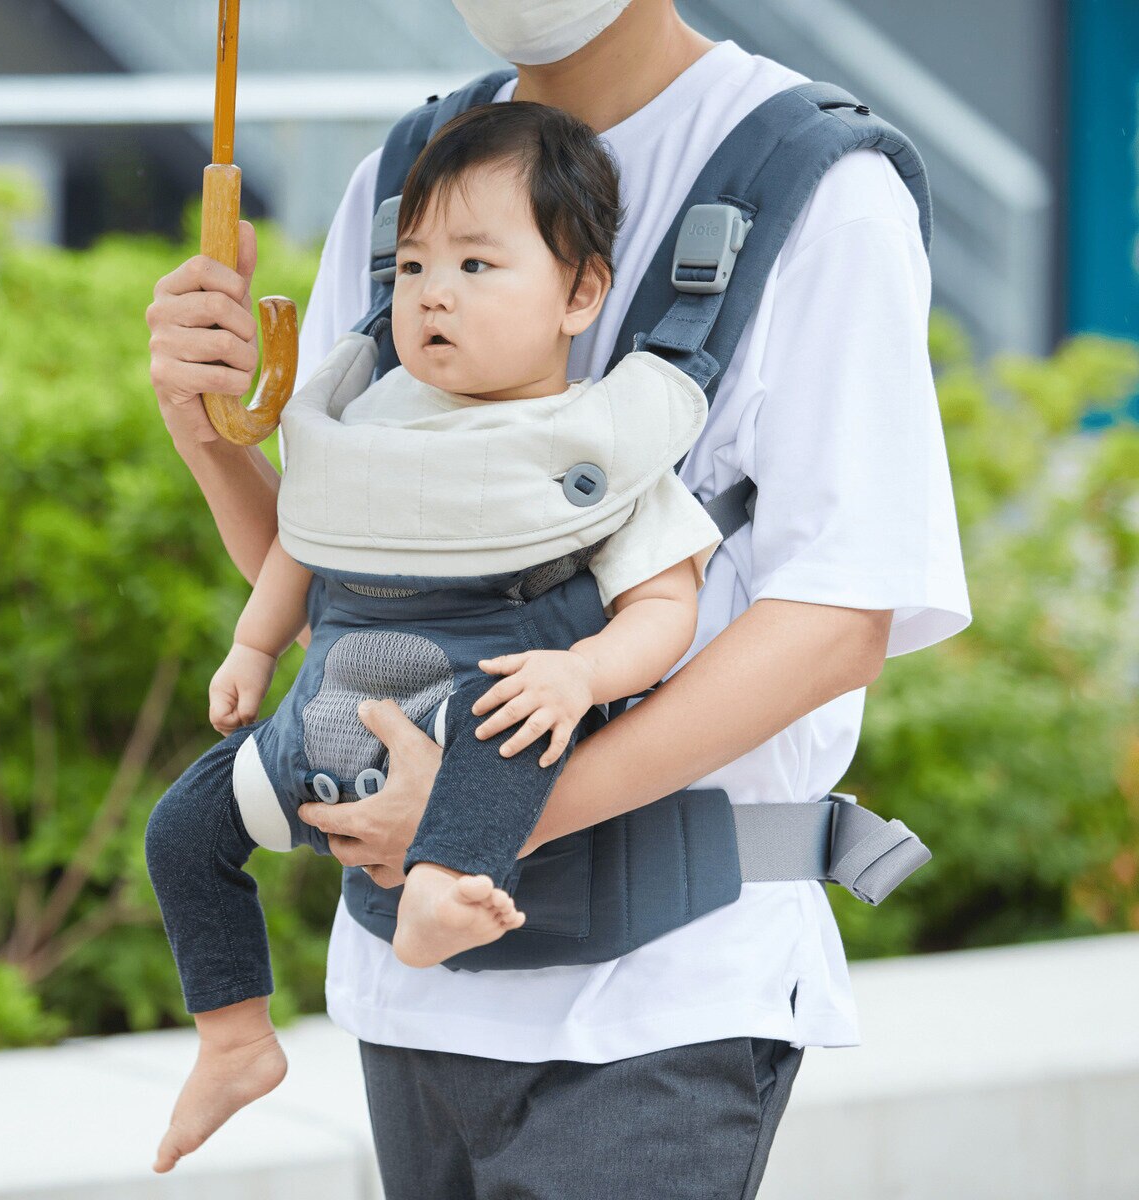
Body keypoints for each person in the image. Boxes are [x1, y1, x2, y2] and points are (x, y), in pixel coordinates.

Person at [145, 1, 971, 1195]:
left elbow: (839, 620)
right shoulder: (405, 179)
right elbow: (349, 576)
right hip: (409, 998)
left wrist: (481, 825)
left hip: (661, 996)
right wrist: (208, 432)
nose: (438, 282)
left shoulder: (815, 182)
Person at [143, 99, 723, 1172]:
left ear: (580, 293)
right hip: (321, 727)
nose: (433, 294)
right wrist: (253, 650)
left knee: (510, 718)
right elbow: (303, 547)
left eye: (475, 265)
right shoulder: (366, 424)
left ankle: (441, 885)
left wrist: (579, 672)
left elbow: (666, 608)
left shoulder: (594, 441)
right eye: (411, 268)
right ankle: (231, 1039)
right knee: (179, 833)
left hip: (480, 715)